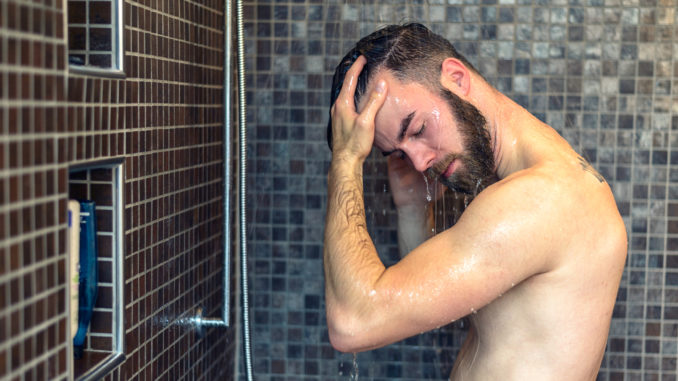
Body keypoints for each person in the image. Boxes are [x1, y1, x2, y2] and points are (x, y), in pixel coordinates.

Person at [323, 23, 627, 380]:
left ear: (456, 77)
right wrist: (412, 208)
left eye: (417, 129)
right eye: (400, 153)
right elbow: (432, 294)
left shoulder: (536, 201)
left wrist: (345, 160)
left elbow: (354, 323)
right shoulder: (538, 184)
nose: (420, 163)